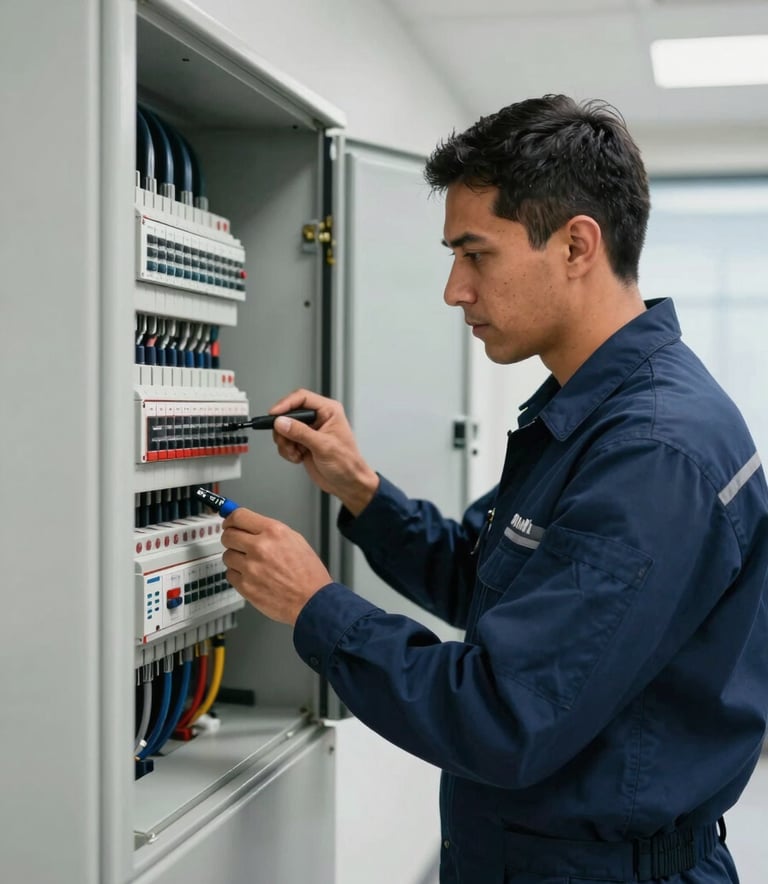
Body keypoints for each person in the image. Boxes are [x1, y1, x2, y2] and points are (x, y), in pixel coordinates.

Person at [221, 94, 768, 883]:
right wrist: (364, 492)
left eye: (476, 254)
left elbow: (504, 716)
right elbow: (499, 590)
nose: (455, 289)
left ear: (577, 245)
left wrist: (316, 604)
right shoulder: (592, 410)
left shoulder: (652, 452)